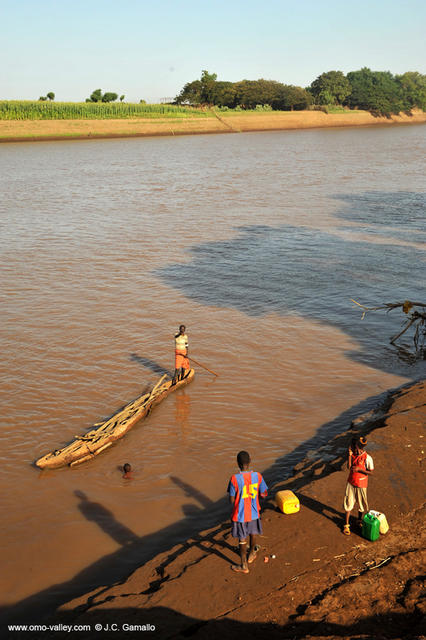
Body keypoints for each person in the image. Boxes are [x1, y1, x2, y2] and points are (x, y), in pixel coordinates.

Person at [227, 450, 268, 573]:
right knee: (253, 533)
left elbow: (231, 499)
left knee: (242, 539)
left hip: (240, 514)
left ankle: (244, 565)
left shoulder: (234, 479)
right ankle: (251, 555)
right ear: (250, 461)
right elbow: (264, 494)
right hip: (254, 512)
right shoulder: (258, 476)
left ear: (237, 463)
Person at [342, 436, 374, 535]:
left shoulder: (367, 458)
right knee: (348, 503)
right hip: (351, 483)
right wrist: (349, 455)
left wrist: (359, 470)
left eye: (354, 446)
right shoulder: (353, 455)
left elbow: (371, 472)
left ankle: (359, 520)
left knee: (361, 504)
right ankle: (346, 525)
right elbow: (349, 467)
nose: (352, 448)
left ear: (358, 447)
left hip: (361, 484)